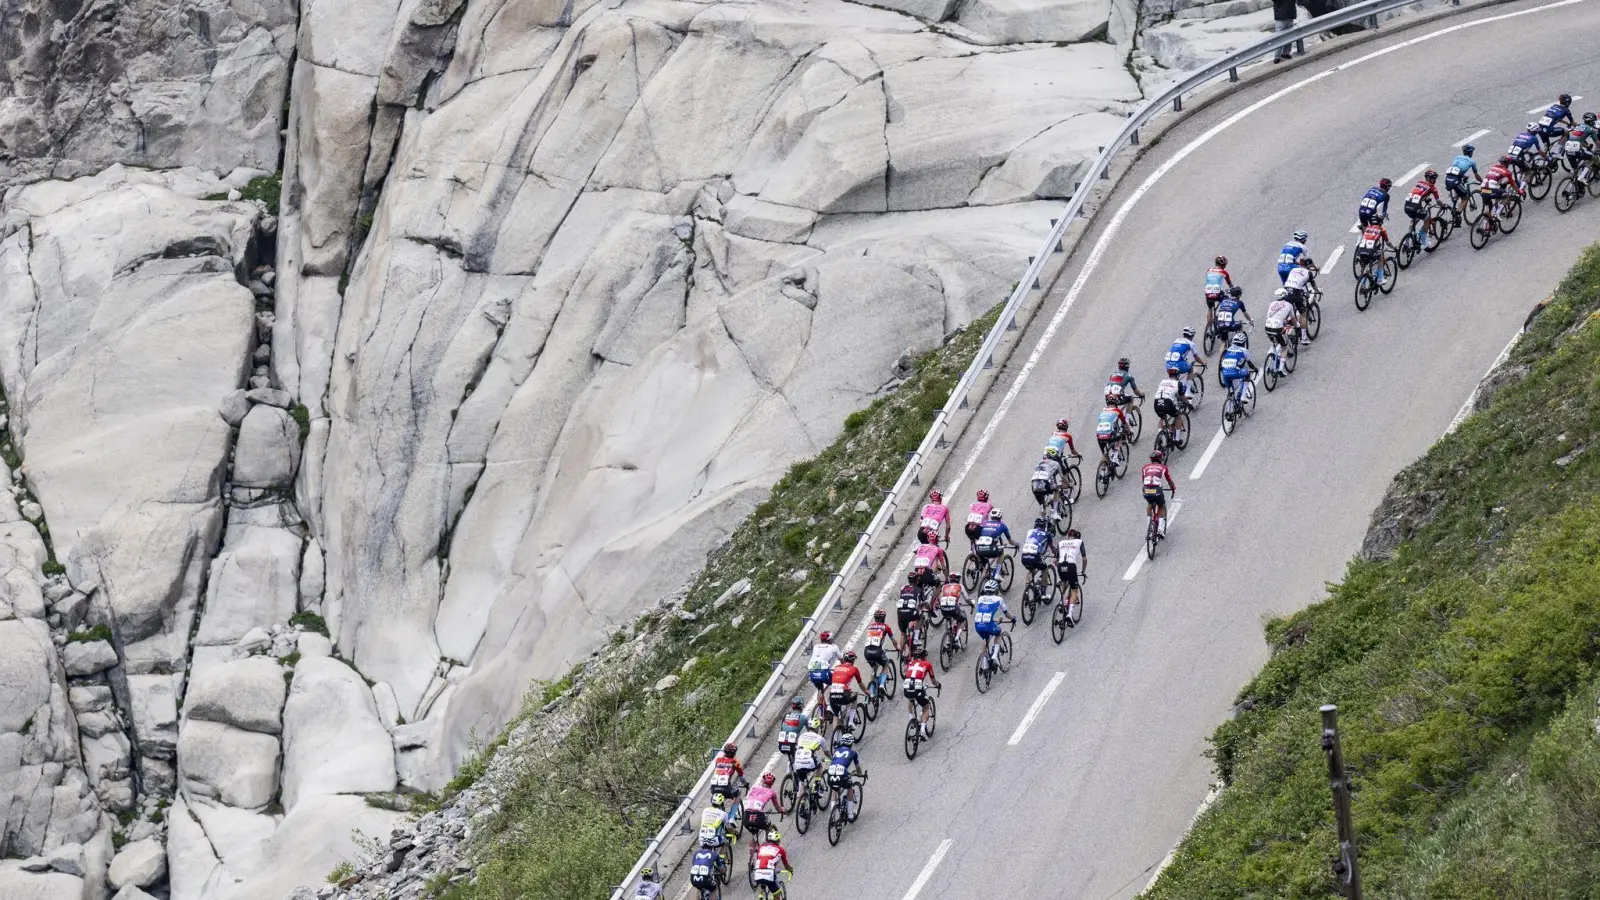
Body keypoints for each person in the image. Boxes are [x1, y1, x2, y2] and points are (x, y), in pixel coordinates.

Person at [973, 578, 1014, 669]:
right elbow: (1006, 613)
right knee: (998, 633)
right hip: (988, 624)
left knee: (985, 640)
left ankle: (984, 665)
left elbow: (984, 612)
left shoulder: (980, 598)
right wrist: (1012, 618)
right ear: (996, 590)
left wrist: (994, 620)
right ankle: (995, 655)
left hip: (978, 624)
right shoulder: (999, 599)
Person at [902, 644, 941, 737]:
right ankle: (923, 729)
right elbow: (933, 681)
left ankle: (911, 719)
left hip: (907, 686)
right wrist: (938, 685)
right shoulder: (927, 664)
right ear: (924, 656)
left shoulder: (910, 663)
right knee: (926, 706)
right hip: (917, 687)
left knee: (911, 699)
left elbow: (905, 672)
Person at [1402, 170, 1442, 252]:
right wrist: (1443, 205)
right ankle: (1423, 241)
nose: (1435, 180)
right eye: (1434, 179)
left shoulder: (1419, 183)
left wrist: (1426, 198)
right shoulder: (1432, 187)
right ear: (1430, 179)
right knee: (1427, 218)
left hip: (1407, 206)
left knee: (1413, 221)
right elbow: (1438, 201)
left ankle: (1406, 242)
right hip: (1416, 207)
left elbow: (1419, 194)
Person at [1165, 327, 1207, 402]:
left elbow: (1178, 351)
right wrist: (1203, 363)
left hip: (1168, 365)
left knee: (1175, 378)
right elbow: (1196, 357)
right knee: (1190, 369)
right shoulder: (1191, 344)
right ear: (1192, 336)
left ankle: (1177, 395)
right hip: (1178, 364)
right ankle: (1187, 392)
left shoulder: (1176, 340)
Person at [1142, 451, 1177, 539]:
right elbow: (1169, 480)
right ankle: (1160, 530)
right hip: (1156, 490)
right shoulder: (1163, 467)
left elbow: (1144, 480)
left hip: (1146, 490)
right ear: (1160, 459)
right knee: (1161, 505)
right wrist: (1173, 488)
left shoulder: (1145, 467)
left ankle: (1148, 530)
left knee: (1150, 504)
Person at [750, 830, 794, 900]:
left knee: (763, 879)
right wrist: (791, 870)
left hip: (757, 873)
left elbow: (760, 861)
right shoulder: (781, 850)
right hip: (769, 874)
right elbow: (786, 866)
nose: (779, 841)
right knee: (777, 894)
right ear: (777, 840)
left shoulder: (761, 847)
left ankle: (761, 895)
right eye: (779, 840)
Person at [1056, 528, 1087, 624]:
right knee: (1074, 591)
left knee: (1064, 582)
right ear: (1078, 537)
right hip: (1071, 566)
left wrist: (1062, 572)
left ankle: (1063, 602)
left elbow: (1054, 560)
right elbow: (1084, 559)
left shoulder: (1061, 543)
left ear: (1069, 536)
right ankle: (1069, 614)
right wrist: (1083, 571)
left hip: (1061, 566)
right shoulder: (1079, 542)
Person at [1282, 260, 1316, 345]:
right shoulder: (1309, 273)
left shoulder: (1293, 269)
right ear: (1309, 266)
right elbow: (1313, 285)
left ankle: (1283, 334)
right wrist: (1318, 291)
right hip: (1296, 292)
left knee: (1287, 313)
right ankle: (1304, 338)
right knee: (1303, 314)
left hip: (1286, 290)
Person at [1264, 289, 1298, 374]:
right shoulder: (1289, 305)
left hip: (1268, 326)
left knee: (1275, 342)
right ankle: (1281, 369)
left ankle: (1271, 359)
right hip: (1277, 327)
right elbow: (1293, 320)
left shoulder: (1272, 304)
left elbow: (1272, 315)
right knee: (1284, 347)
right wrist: (1297, 325)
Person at [1445, 144, 1481, 223]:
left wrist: (1463, 176)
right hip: (1455, 181)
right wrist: (1482, 182)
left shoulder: (1456, 157)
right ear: (1471, 152)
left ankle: (1451, 205)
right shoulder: (1472, 161)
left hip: (1448, 179)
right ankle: (1457, 214)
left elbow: (1456, 170)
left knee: (1457, 191)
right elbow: (1476, 175)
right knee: (1465, 197)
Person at [827, 651, 867, 722]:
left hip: (832, 695)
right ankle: (851, 721)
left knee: (836, 717)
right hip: (843, 693)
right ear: (853, 660)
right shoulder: (854, 669)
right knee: (854, 697)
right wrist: (867, 692)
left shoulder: (836, 667)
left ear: (844, 659)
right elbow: (860, 684)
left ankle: (836, 731)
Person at [1220, 332, 1258, 405]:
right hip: (1235, 372)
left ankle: (1228, 410)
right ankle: (1243, 396)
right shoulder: (1244, 351)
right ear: (1243, 343)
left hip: (1224, 373)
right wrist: (1255, 369)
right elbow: (1250, 364)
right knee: (1247, 374)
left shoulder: (1228, 349)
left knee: (1231, 392)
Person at [1354, 214, 1392, 285]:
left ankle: (1363, 285)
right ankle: (1380, 279)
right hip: (1370, 251)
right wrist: (1394, 248)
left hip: (1361, 250)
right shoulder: (1381, 229)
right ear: (1380, 222)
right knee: (1380, 258)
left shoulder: (1368, 227)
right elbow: (1388, 242)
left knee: (1368, 267)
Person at [974, 509, 1012, 578]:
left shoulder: (985, 523)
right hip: (990, 549)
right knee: (1001, 553)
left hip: (979, 549)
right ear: (1000, 517)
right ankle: (997, 574)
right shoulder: (1002, 526)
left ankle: (984, 570)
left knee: (986, 554)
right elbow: (1011, 542)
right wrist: (1017, 545)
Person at [1154, 368, 1188, 444]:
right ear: (1178, 375)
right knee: (1178, 417)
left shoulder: (1162, 381)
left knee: (1162, 417)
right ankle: (1177, 439)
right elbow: (1182, 397)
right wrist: (1188, 403)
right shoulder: (1178, 383)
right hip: (1167, 403)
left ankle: (1159, 436)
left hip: (1156, 402)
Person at [863, 609, 902, 674]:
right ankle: (881, 683)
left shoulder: (870, 627)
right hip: (877, 652)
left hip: (866, 652)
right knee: (886, 664)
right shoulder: (886, 627)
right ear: (883, 618)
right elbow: (894, 642)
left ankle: (872, 683)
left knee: (874, 669)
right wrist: (897, 648)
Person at [792, 716, 827, 788]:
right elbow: (827, 752)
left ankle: (801, 797)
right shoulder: (820, 738)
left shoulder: (802, 735)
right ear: (817, 727)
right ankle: (817, 784)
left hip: (797, 761)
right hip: (809, 761)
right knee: (820, 766)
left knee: (802, 784)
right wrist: (832, 759)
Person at [743, 772, 779, 841]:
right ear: (772, 783)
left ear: (762, 780)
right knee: (768, 825)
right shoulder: (772, 792)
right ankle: (769, 842)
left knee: (754, 832)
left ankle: (752, 848)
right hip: (758, 816)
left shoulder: (753, 788)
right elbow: (777, 807)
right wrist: (782, 810)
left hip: (746, 817)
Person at [806, 632, 841, 702]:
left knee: (820, 688)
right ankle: (832, 704)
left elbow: (818, 660)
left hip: (812, 671)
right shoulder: (834, 647)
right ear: (830, 640)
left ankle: (821, 707)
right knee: (837, 683)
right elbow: (842, 660)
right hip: (823, 672)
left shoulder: (815, 646)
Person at [896, 572, 926, 649]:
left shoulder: (902, 588)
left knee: (903, 633)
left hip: (900, 613)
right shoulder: (919, 590)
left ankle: (902, 656)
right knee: (921, 616)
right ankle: (916, 638)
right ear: (917, 581)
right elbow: (922, 603)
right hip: (910, 612)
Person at [1203, 256, 1233, 330]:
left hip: (1208, 292)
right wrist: (1233, 290)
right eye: (1225, 265)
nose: (1225, 266)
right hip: (1217, 293)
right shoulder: (1224, 272)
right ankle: (1221, 316)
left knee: (1210, 309)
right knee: (1227, 301)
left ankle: (1210, 329)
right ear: (1222, 265)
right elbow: (1230, 285)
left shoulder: (1208, 270)